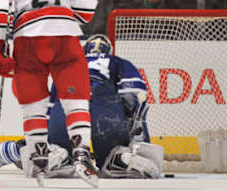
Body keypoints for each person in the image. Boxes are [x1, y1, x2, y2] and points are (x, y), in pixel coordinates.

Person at [0, 0, 99, 187]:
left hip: (29, 40)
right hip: (66, 37)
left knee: (33, 101)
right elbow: (87, 10)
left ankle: (38, 155)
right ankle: (82, 154)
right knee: (76, 100)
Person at [47, 34, 164, 179]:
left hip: (67, 110)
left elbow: (49, 109)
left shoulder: (67, 66)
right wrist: (137, 137)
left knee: (60, 145)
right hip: (105, 111)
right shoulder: (118, 62)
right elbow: (135, 95)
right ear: (109, 50)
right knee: (111, 153)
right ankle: (117, 158)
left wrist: (47, 139)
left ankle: (60, 156)